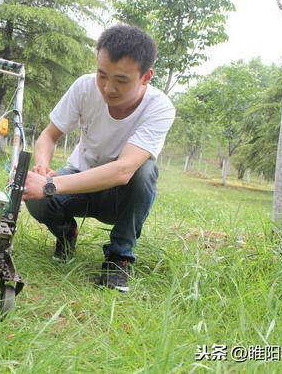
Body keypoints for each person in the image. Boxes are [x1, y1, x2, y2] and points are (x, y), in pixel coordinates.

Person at [23, 24, 176, 292]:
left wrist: (50, 186)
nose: (108, 88)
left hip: (120, 195)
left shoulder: (159, 107)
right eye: (102, 75)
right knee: (37, 201)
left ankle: (119, 257)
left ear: (146, 76)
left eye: (121, 80)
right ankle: (66, 235)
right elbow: (47, 137)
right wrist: (42, 167)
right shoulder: (84, 87)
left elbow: (124, 171)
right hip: (80, 180)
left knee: (144, 171)